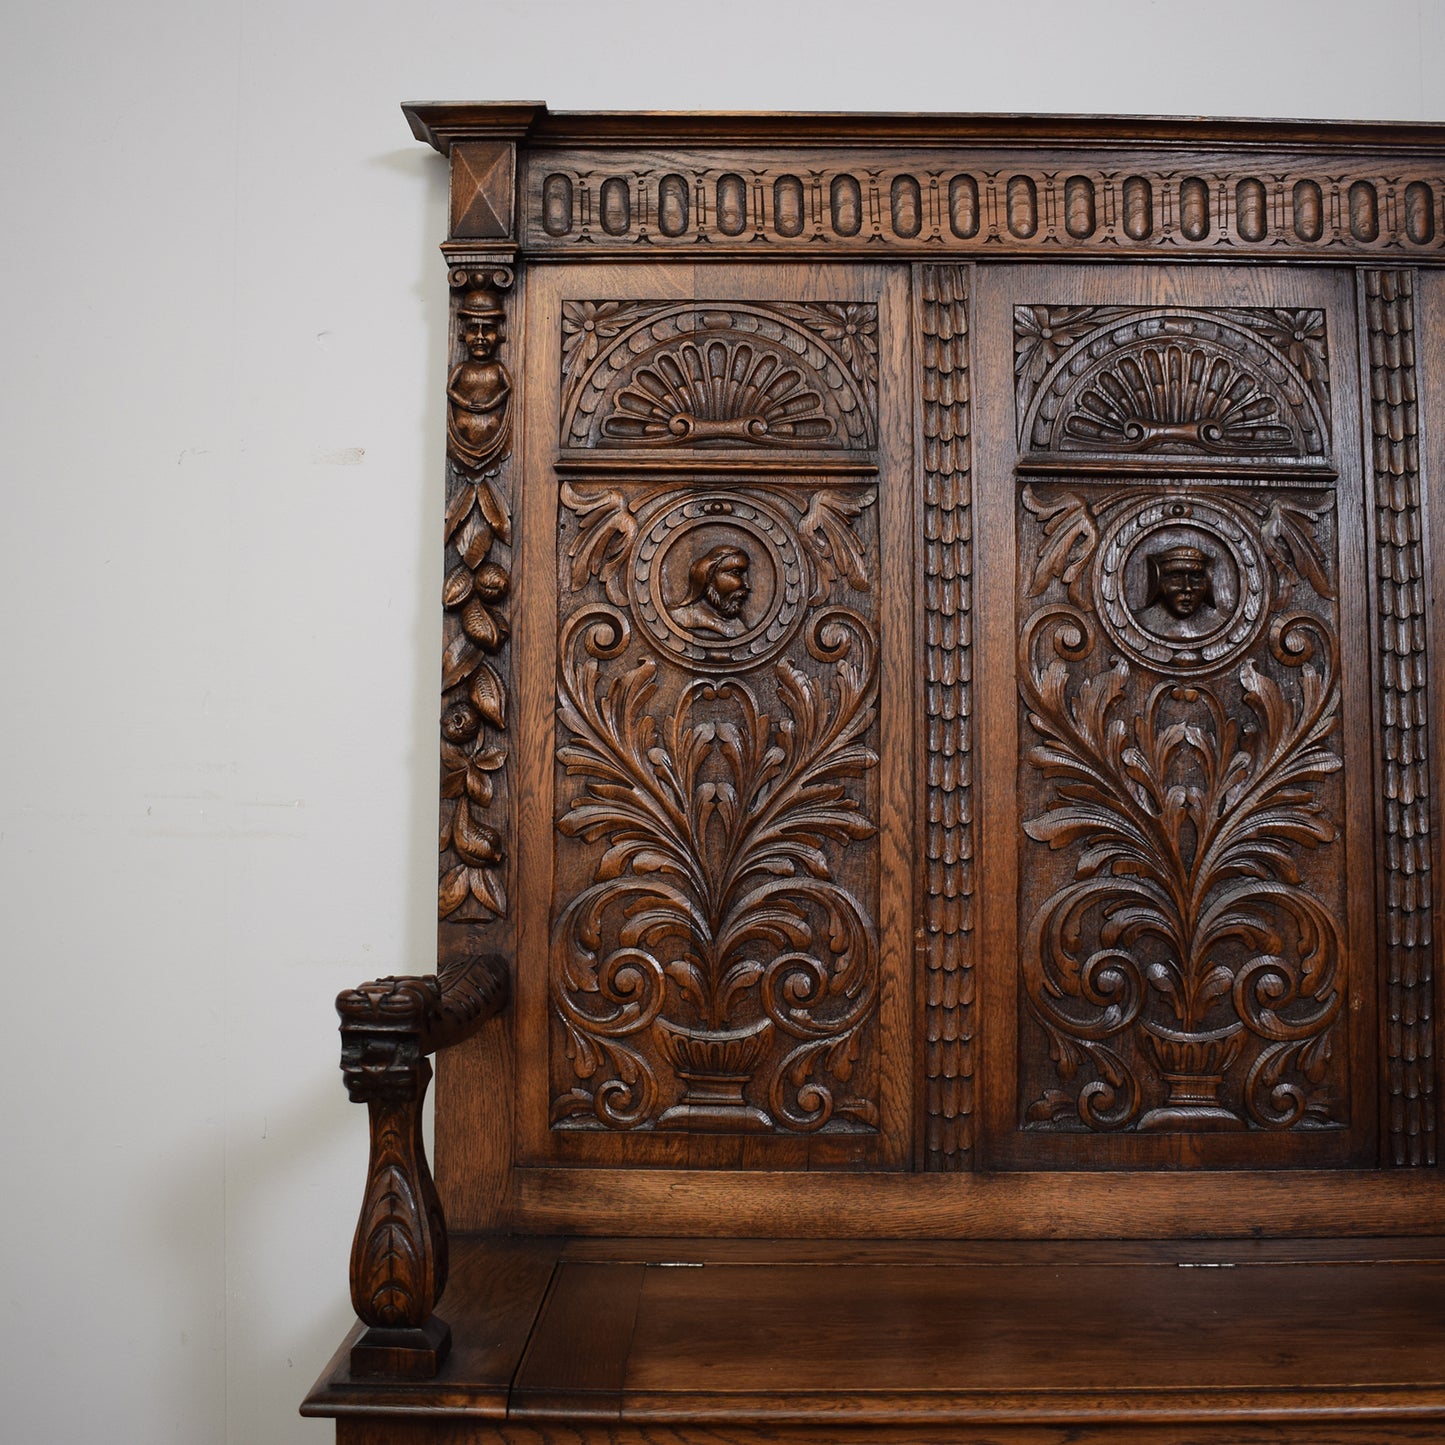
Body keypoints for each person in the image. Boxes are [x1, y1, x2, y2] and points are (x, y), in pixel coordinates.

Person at [446, 286, 512, 473]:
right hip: (463, 441)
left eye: (488, 329)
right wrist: (465, 403)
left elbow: (507, 388)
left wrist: (490, 404)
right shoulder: (461, 368)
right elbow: (450, 389)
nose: (480, 337)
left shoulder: (498, 368)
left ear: (499, 334)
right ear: (462, 333)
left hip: (494, 438)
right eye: (473, 329)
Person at [671, 545, 752, 637]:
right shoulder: (681, 617)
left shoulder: (739, 628)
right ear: (708, 576)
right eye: (736, 573)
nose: (747, 585)